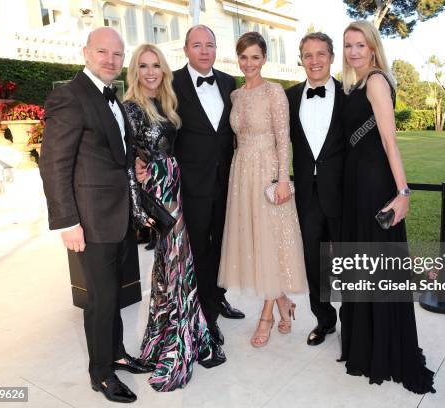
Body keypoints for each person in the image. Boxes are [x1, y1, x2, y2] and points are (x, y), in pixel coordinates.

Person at [39, 27, 150, 404]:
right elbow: (54, 165)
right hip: (89, 220)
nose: (111, 60)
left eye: (118, 54)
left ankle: (117, 353)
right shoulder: (70, 96)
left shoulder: (111, 96)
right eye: (103, 52)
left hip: (117, 216)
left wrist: (131, 162)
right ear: (86, 52)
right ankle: (101, 373)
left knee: (114, 294)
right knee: (100, 300)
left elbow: (109, 149)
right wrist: (67, 222)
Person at [337, 20, 435, 394]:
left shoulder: (376, 81)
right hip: (354, 185)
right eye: (348, 45)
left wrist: (403, 192)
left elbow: (390, 142)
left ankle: (384, 349)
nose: (353, 51)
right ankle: (367, 344)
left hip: (373, 185)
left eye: (360, 44)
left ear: (374, 47)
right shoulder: (355, 84)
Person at [123, 43, 226, 392]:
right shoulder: (131, 108)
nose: (151, 72)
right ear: (134, 71)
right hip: (160, 194)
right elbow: (127, 161)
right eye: (143, 66)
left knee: (176, 268)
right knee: (175, 266)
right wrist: (140, 210)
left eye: (156, 66)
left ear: (164, 70)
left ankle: (180, 334)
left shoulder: (165, 102)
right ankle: (177, 344)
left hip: (176, 186)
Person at [136, 25, 245, 346]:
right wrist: (138, 159)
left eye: (209, 45)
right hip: (189, 185)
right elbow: (151, 122)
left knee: (221, 245)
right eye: (197, 45)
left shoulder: (229, 83)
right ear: (185, 49)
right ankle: (204, 317)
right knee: (196, 250)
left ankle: (216, 296)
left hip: (226, 182)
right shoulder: (172, 83)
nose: (204, 51)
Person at [217, 32, 308, 348]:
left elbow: (284, 139)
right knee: (256, 240)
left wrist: (283, 180)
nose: (249, 63)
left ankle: (267, 315)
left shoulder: (274, 92)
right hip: (242, 171)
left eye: (255, 57)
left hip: (268, 171)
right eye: (243, 57)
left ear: (264, 59)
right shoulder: (236, 95)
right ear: (238, 59)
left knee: (270, 240)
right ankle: (283, 301)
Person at [285, 32, 345, 347]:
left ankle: (354, 321)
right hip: (307, 195)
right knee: (314, 261)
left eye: (321, 53)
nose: (315, 60)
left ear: (332, 57)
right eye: (308, 55)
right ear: (301, 59)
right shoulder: (290, 96)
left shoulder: (351, 94)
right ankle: (324, 320)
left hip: (344, 193)